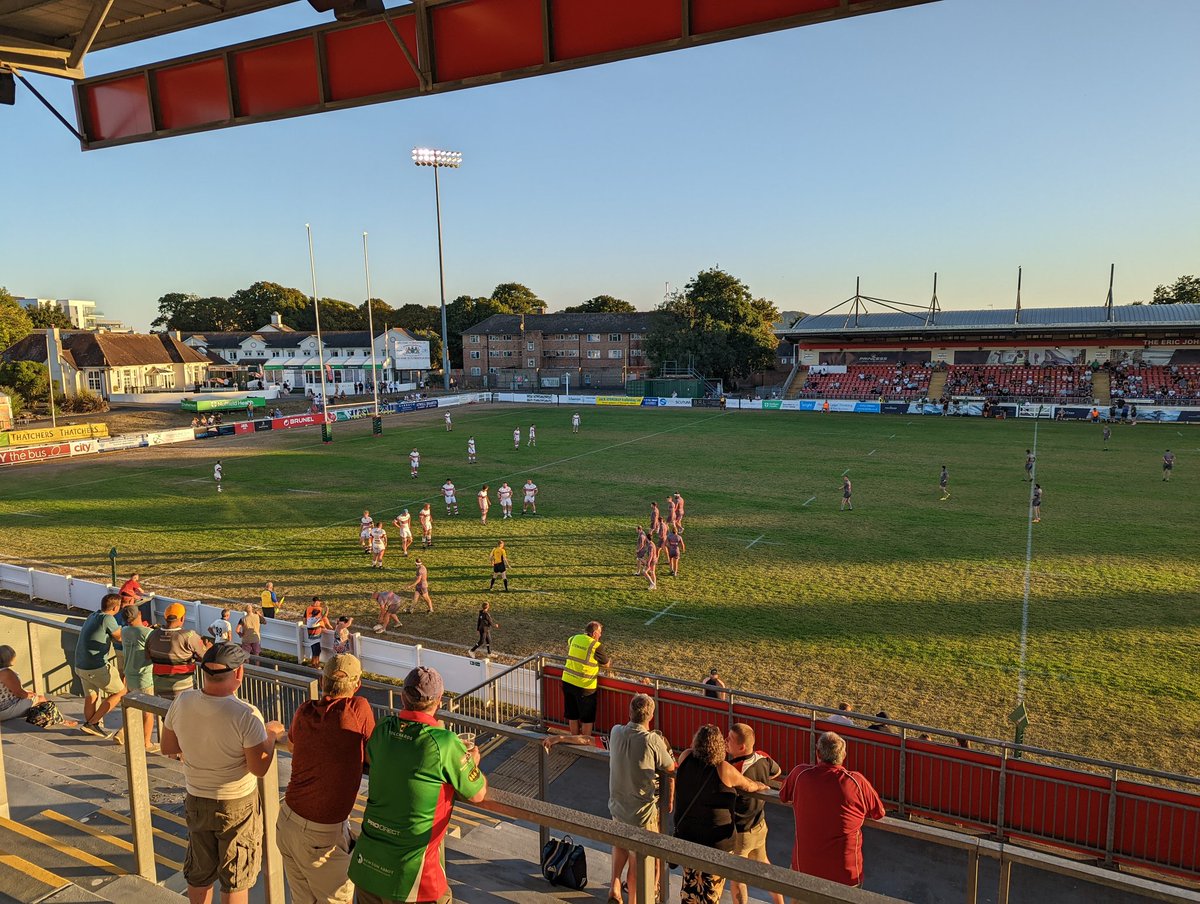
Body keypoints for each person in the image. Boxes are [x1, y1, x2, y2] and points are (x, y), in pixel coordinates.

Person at [348, 667, 487, 904]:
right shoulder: (444, 743)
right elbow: (478, 794)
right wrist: (471, 761)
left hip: (367, 867)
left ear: (402, 697)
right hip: (412, 879)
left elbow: (374, 758)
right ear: (439, 701)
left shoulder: (383, 728)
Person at [161, 644, 287, 904]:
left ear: (203, 672)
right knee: (236, 876)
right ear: (238, 673)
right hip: (236, 804)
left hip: (196, 798)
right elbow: (259, 768)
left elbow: (168, 747)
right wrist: (272, 734)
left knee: (199, 872)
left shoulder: (183, 701)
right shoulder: (246, 714)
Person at [547, 693, 673, 904]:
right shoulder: (652, 740)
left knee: (620, 844)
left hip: (617, 807)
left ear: (629, 712)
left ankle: (615, 886)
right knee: (638, 861)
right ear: (650, 716)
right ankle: (633, 899)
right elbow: (670, 766)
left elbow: (588, 740)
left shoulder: (616, 732)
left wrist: (560, 737)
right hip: (642, 814)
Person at [276, 653, 375, 904]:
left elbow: (292, 745)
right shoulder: (358, 709)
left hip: (288, 822)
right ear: (357, 684)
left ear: (322, 682)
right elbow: (374, 756)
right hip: (320, 836)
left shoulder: (304, 711)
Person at [673, 725, 771, 904]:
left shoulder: (686, 756)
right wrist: (760, 785)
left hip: (688, 836)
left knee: (690, 888)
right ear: (719, 746)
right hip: (716, 841)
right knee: (710, 892)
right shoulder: (723, 769)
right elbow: (748, 785)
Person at [778, 731, 885, 888]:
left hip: (804, 869)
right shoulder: (856, 782)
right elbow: (879, 813)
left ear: (818, 753)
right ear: (844, 755)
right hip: (846, 877)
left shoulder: (800, 773)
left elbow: (783, 795)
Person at [726, 723, 784, 904]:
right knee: (765, 868)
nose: (725, 741)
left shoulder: (733, 768)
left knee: (737, 878)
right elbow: (778, 771)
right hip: (759, 825)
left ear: (741, 747)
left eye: (730, 739)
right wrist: (763, 779)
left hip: (741, 832)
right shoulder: (763, 758)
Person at [74, 592, 125, 738]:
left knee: (92, 696)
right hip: (95, 666)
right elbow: (119, 637)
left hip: (80, 665)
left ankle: (91, 726)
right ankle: (92, 723)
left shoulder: (93, 615)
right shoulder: (108, 619)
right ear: (115, 608)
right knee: (120, 692)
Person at [146, 602, 207, 700]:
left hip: (159, 690)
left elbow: (147, 657)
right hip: (184, 691)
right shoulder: (189, 636)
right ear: (182, 619)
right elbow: (206, 656)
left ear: (165, 618)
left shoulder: (152, 635)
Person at [118, 605, 158, 752]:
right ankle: (146, 742)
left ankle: (124, 732)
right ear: (140, 614)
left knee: (134, 708)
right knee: (148, 712)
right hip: (144, 676)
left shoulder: (125, 631)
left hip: (129, 674)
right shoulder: (147, 633)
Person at [561, 621, 610, 738]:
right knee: (587, 718)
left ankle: (574, 740)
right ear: (594, 633)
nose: (600, 635)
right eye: (599, 633)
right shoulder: (596, 645)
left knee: (572, 715)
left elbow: (569, 644)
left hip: (567, 681)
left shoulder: (574, 638)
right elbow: (606, 663)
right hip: (585, 687)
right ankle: (584, 745)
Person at [0, 644, 58, 723]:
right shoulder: (6, 673)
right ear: (9, 658)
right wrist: (31, 695)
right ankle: (57, 721)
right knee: (41, 699)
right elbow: (19, 693)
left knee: (29, 691)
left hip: (3, 702)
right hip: (4, 709)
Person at [305, 597, 331, 667]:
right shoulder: (315, 620)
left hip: (312, 637)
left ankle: (316, 663)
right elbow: (324, 617)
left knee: (316, 651)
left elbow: (305, 619)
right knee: (316, 652)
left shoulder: (310, 618)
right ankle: (314, 664)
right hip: (315, 638)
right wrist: (327, 610)